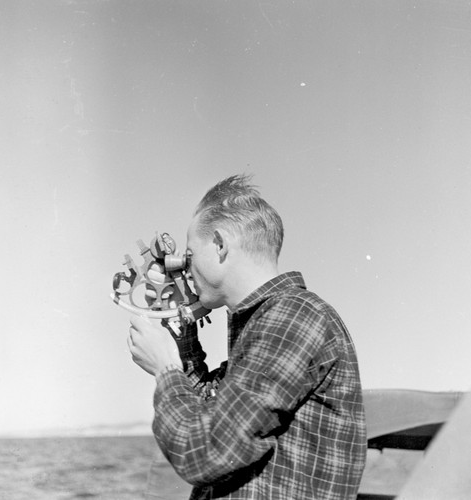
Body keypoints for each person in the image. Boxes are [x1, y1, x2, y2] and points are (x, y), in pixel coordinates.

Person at [127, 174, 366, 499]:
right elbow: (208, 413)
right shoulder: (273, 323)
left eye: (190, 253)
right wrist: (182, 342)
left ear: (221, 244)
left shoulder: (293, 317)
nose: (185, 267)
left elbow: (204, 452)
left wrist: (164, 370)